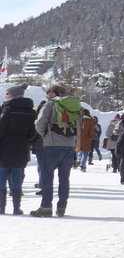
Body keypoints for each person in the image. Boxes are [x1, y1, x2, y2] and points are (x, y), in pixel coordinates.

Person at [32, 83, 79, 217]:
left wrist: (45, 135)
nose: (47, 95)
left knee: (47, 177)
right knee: (64, 178)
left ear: (53, 93)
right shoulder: (73, 106)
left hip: (52, 144)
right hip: (69, 145)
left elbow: (40, 123)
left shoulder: (50, 105)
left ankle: (46, 207)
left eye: (48, 93)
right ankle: (62, 207)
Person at [0, 84, 37, 215]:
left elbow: (2, 129)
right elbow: (33, 132)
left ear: (13, 95)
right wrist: (25, 141)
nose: (5, 96)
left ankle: (1, 208)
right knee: (17, 180)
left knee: (1, 179)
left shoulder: (7, 109)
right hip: (22, 149)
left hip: (4, 150)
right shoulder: (31, 111)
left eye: (7, 94)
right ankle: (16, 208)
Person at [74, 106, 96, 171]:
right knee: (85, 152)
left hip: (78, 137)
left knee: (80, 150)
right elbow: (91, 130)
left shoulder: (78, 119)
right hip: (86, 138)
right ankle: (83, 165)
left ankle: (79, 161)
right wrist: (92, 136)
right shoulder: (90, 120)